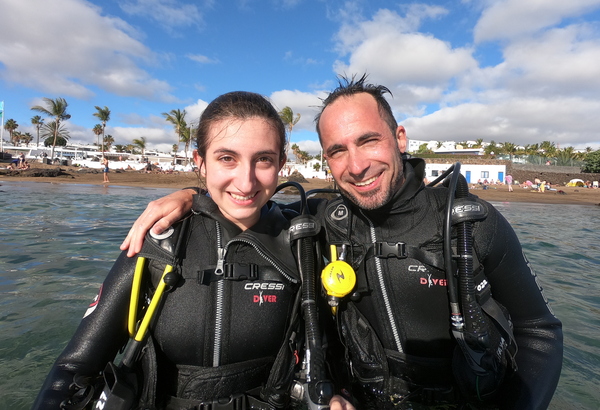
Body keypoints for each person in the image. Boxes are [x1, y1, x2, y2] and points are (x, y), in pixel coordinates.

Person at [121, 76, 563, 409]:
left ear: (400, 138)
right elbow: (247, 205)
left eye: (368, 140)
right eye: (336, 150)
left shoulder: (469, 224)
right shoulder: (321, 221)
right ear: (326, 159)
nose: (356, 165)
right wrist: (192, 197)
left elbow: (540, 332)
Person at [33, 91, 353, 410]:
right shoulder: (161, 239)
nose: (245, 181)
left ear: (281, 164)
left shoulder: (301, 242)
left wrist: (339, 397)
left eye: (264, 159)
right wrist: (192, 195)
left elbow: (330, 358)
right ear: (200, 160)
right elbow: (72, 372)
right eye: (227, 158)